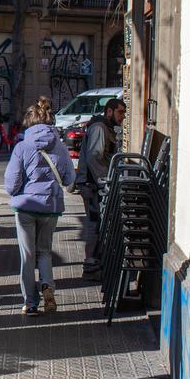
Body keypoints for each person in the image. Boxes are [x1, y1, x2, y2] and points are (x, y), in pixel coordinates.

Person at [4, 98, 75, 316]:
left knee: (27, 255)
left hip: (26, 208)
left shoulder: (22, 147)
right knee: (44, 252)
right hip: (51, 208)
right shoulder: (61, 147)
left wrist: (20, 192)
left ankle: (30, 302)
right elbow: (69, 178)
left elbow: (11, 183)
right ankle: (48, 288)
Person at [74, 97, 126, 278]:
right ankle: (91, 265)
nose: (122, 117)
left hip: (94, 183)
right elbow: (94, 156)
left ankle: (94, 264)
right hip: (92, 185)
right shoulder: (99, 127)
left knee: (97, 223)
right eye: (120, 112)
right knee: (95, 223)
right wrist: (104, 181)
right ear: (109, 111)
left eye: (124, 113)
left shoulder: (105, 127)